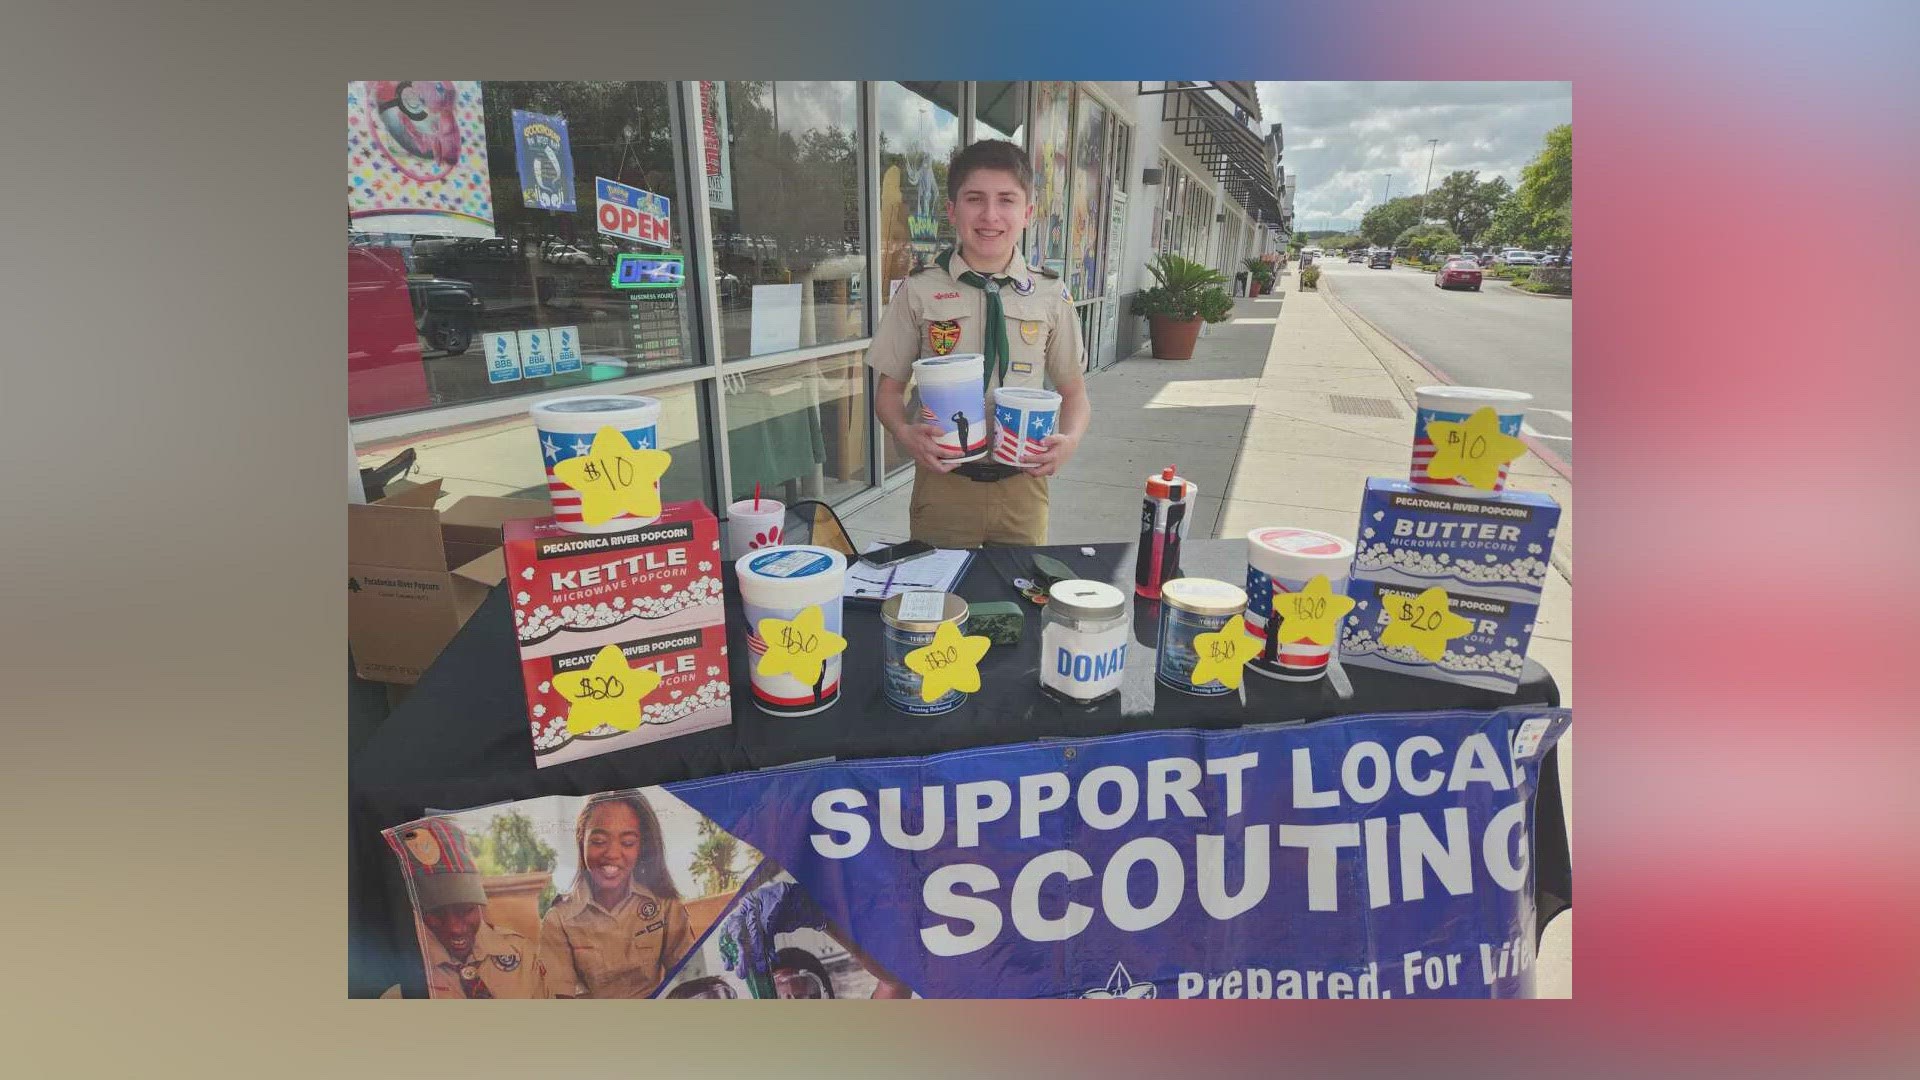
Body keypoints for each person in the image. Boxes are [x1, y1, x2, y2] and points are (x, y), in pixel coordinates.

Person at [866, 139, 1092, 547]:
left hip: (1024, 489)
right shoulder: (919, 291)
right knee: (940, 604)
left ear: (1027, 213)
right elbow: (888, 393)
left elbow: (1074, 394)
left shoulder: (1050, 295)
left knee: (1019, 600)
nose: (990, 215)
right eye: (975, 199)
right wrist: (903, 432)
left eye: (1006, 200)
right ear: (953, 210)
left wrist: (1070, 442)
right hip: (944, 488)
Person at [539, 793, 695, 998]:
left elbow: (691, 979)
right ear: (581, 840)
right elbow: (561, 1003)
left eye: (628, 842)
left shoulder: (664, 903)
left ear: (641, 847)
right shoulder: (558, 920)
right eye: (599, 841)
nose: (612, 853)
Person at [390, 818, 550, 999]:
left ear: (479, 904)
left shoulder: (524, 956)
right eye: (436, 914)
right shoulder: (403, 979)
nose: (455, 928)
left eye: (465, 910)